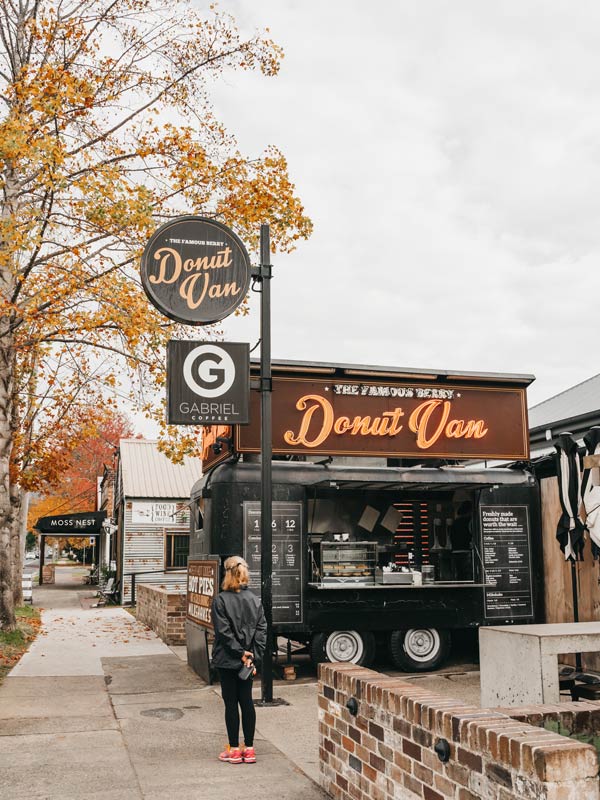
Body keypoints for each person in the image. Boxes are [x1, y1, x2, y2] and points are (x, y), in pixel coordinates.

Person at [211, 556, 267, 765]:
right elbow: (262, 631)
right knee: (247, 701)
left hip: (227, 660)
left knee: (230, 703)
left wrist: (239, 653)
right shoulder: (255, 600)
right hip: (247, 662)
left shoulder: (220, 600)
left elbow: (223, 633)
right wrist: (252, 655)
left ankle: (234, 750)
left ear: (227, 573)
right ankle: (250, 749)